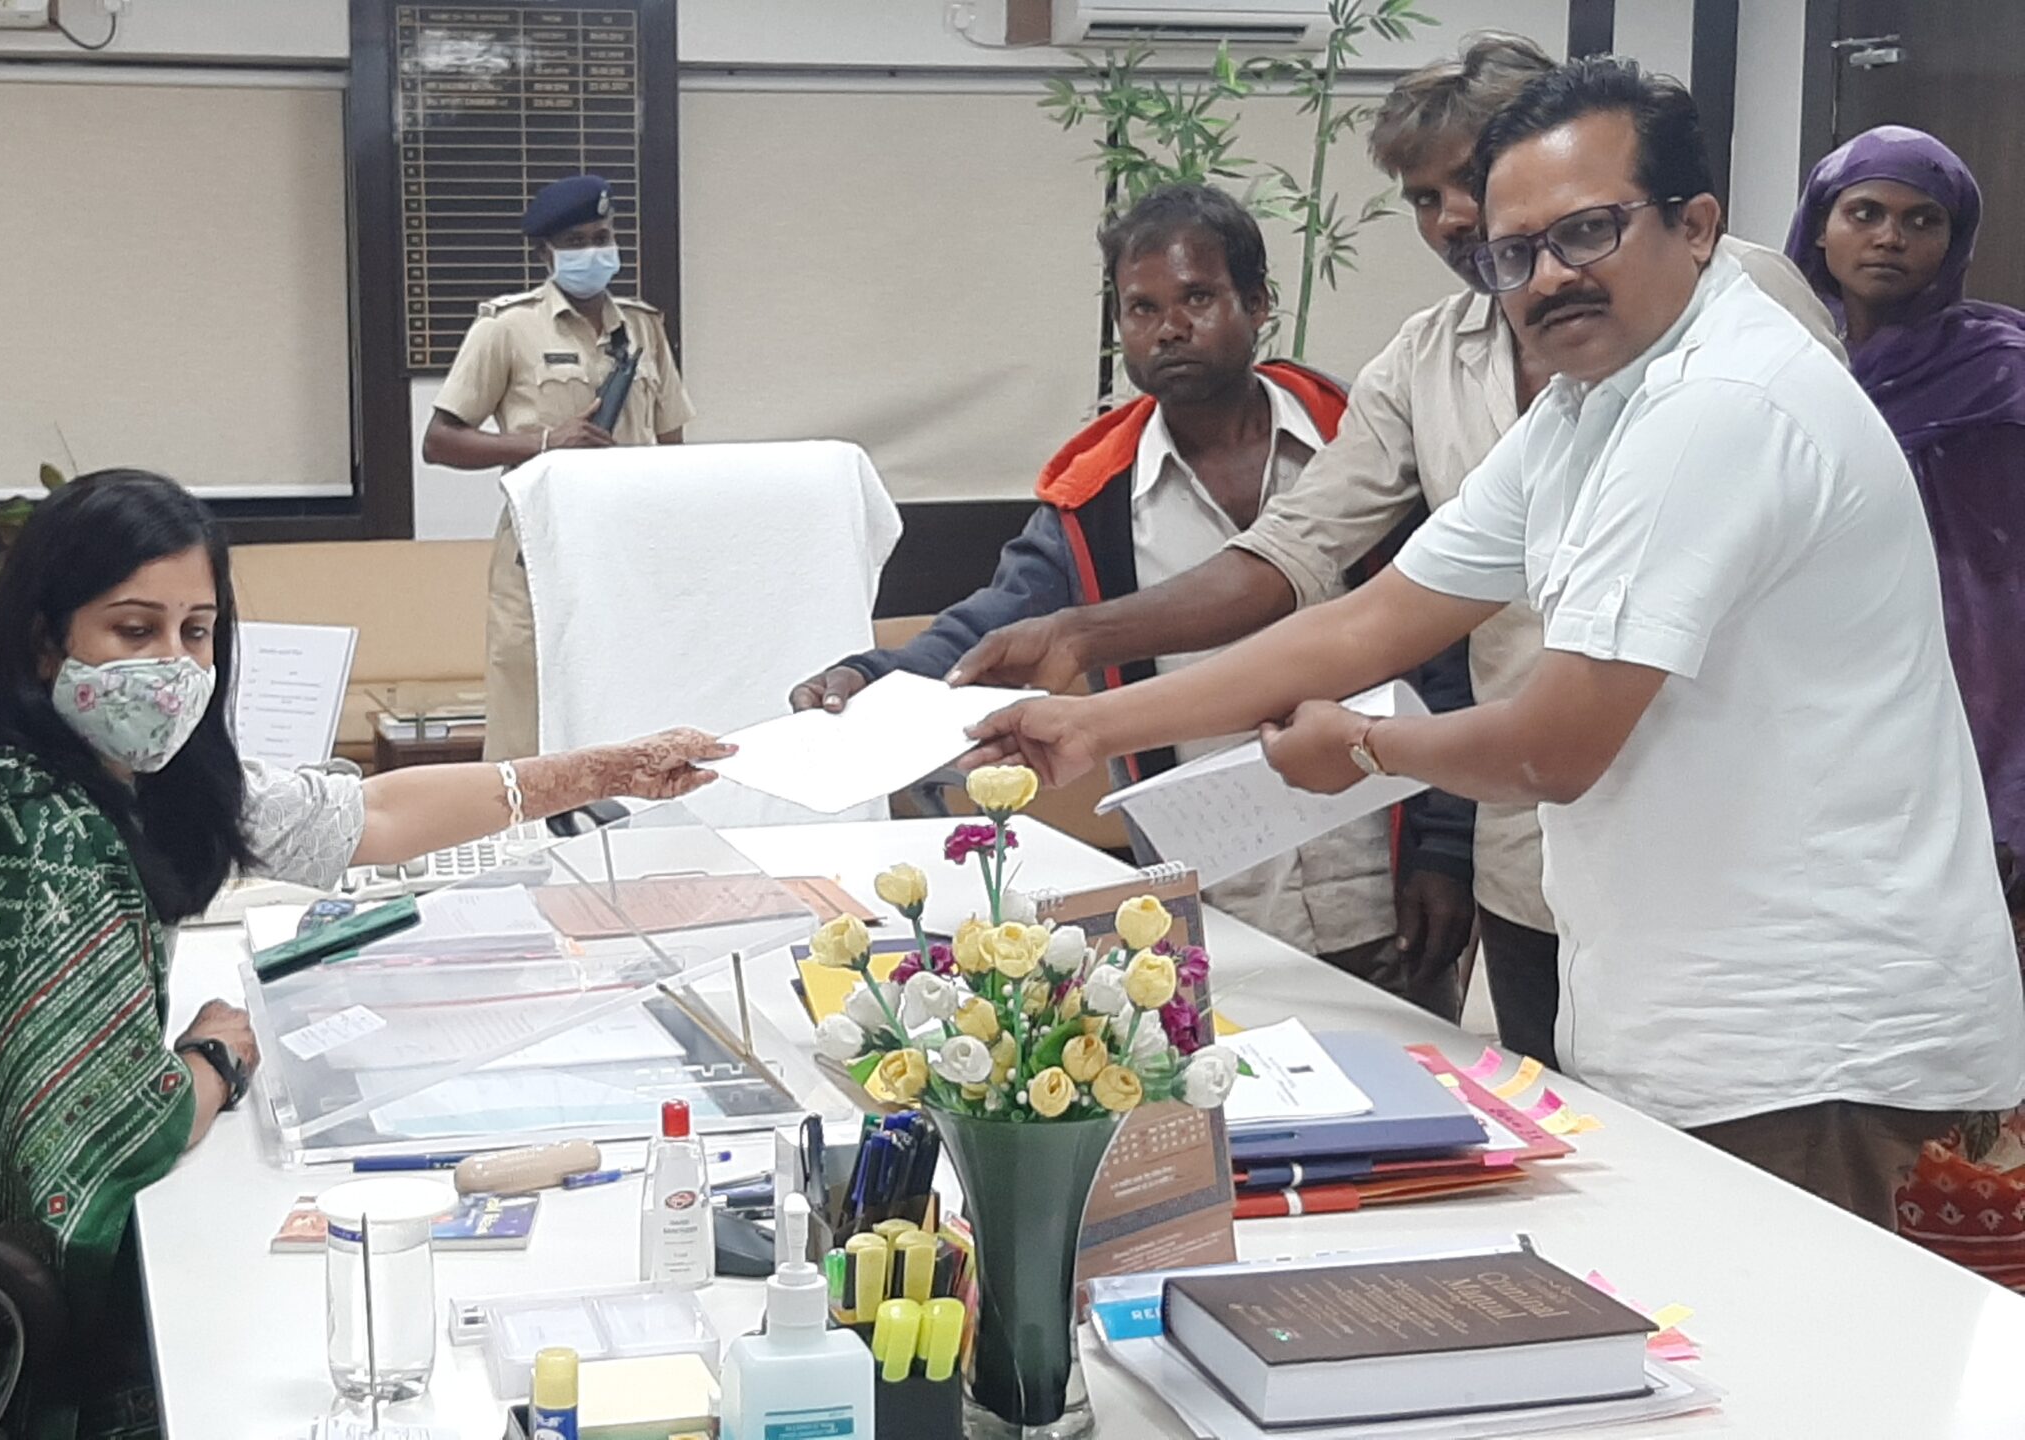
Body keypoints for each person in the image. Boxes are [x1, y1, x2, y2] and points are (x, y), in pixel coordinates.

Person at [965, 59, 2025, 1224]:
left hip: (1807, 1031)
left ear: (1694, 225)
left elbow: (1551, 748)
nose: (1547, 275)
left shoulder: (1718, 403)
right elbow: (1377, 614)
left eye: (1586, 232)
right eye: (1514, 251)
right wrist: (1091, 721)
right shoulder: (1590, 401)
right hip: (1689, 995)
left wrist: (1362, 748)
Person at [940, 33, 1846, 1067]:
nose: (1460, 219)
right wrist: (1087, 695)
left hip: (1748, 866)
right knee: (1576, 1131)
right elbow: (1354, 600)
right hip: (1545, 859)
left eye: (1481, 183)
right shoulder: (1496, 382)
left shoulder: (1728, 339)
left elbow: (1550, 734)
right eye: (1426, 198)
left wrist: (1369, 750)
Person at [0, 470, 727, 1437]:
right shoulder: (34, 828)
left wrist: (604, 771)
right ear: (47, 638)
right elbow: (107, 1131)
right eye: (133, 629)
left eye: (197, 631)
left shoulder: (134, 778)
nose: (172, 665)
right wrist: (214, 1059)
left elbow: (375, 814)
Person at [788, 183, 1448, 1000]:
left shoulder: (1363, 449)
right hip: (1213, 896)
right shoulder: (1097, 501)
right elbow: (992, 625)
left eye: (1197, 298)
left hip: (1384, 878)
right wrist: (874, 674)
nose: (1169, 327)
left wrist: (1446, 849)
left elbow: (1444, 651)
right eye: (1142, 308)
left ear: (1258, 303)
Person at [1787, 126, 2025, 858]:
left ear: (1953, 243)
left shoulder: (2002, 371)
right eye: (1865, 213)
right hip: (1815, 666)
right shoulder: (1779, 360)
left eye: (1923, 220)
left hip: (1969, 674)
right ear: (1820, 227)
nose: (1890, 237)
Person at [422, 174, 694, 763]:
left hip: (628, 551)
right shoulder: (507, 327)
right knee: (528, 724)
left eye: (602, 237)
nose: (593, 252)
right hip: (541, 550)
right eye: (576, 242)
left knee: (629, 717)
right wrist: (545, 442)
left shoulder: (643, 328)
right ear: (545, 253)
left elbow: (672, 443)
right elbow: (440, 441)